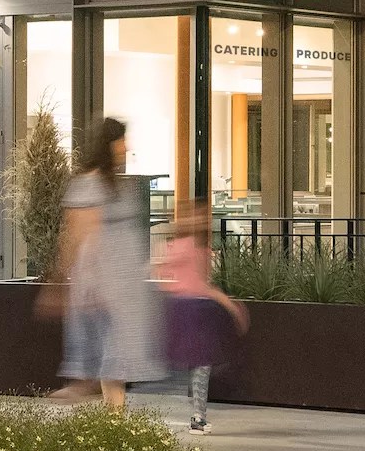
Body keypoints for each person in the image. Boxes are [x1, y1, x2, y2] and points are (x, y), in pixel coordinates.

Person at [48, 117, 163, 408]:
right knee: (110, 357)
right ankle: (93, 403)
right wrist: (78, 283)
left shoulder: (117, 186)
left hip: (120, 285)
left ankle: (112, 423)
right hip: (104, 283)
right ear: (110, 144)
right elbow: (81, 237)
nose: (126, 148)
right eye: (122, 141)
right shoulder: (90, 185)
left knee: (116, 362)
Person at [157, 196, 245, 432]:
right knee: (198, 363)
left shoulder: (192, 247)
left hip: (194, 308)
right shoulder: (187, 247)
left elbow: (194, 281)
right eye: (194, 215)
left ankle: (198, 416)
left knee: (199, 364)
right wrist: (229, 305)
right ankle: (197, 416)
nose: (198, 220)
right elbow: (184, 279)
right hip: (190, 309)